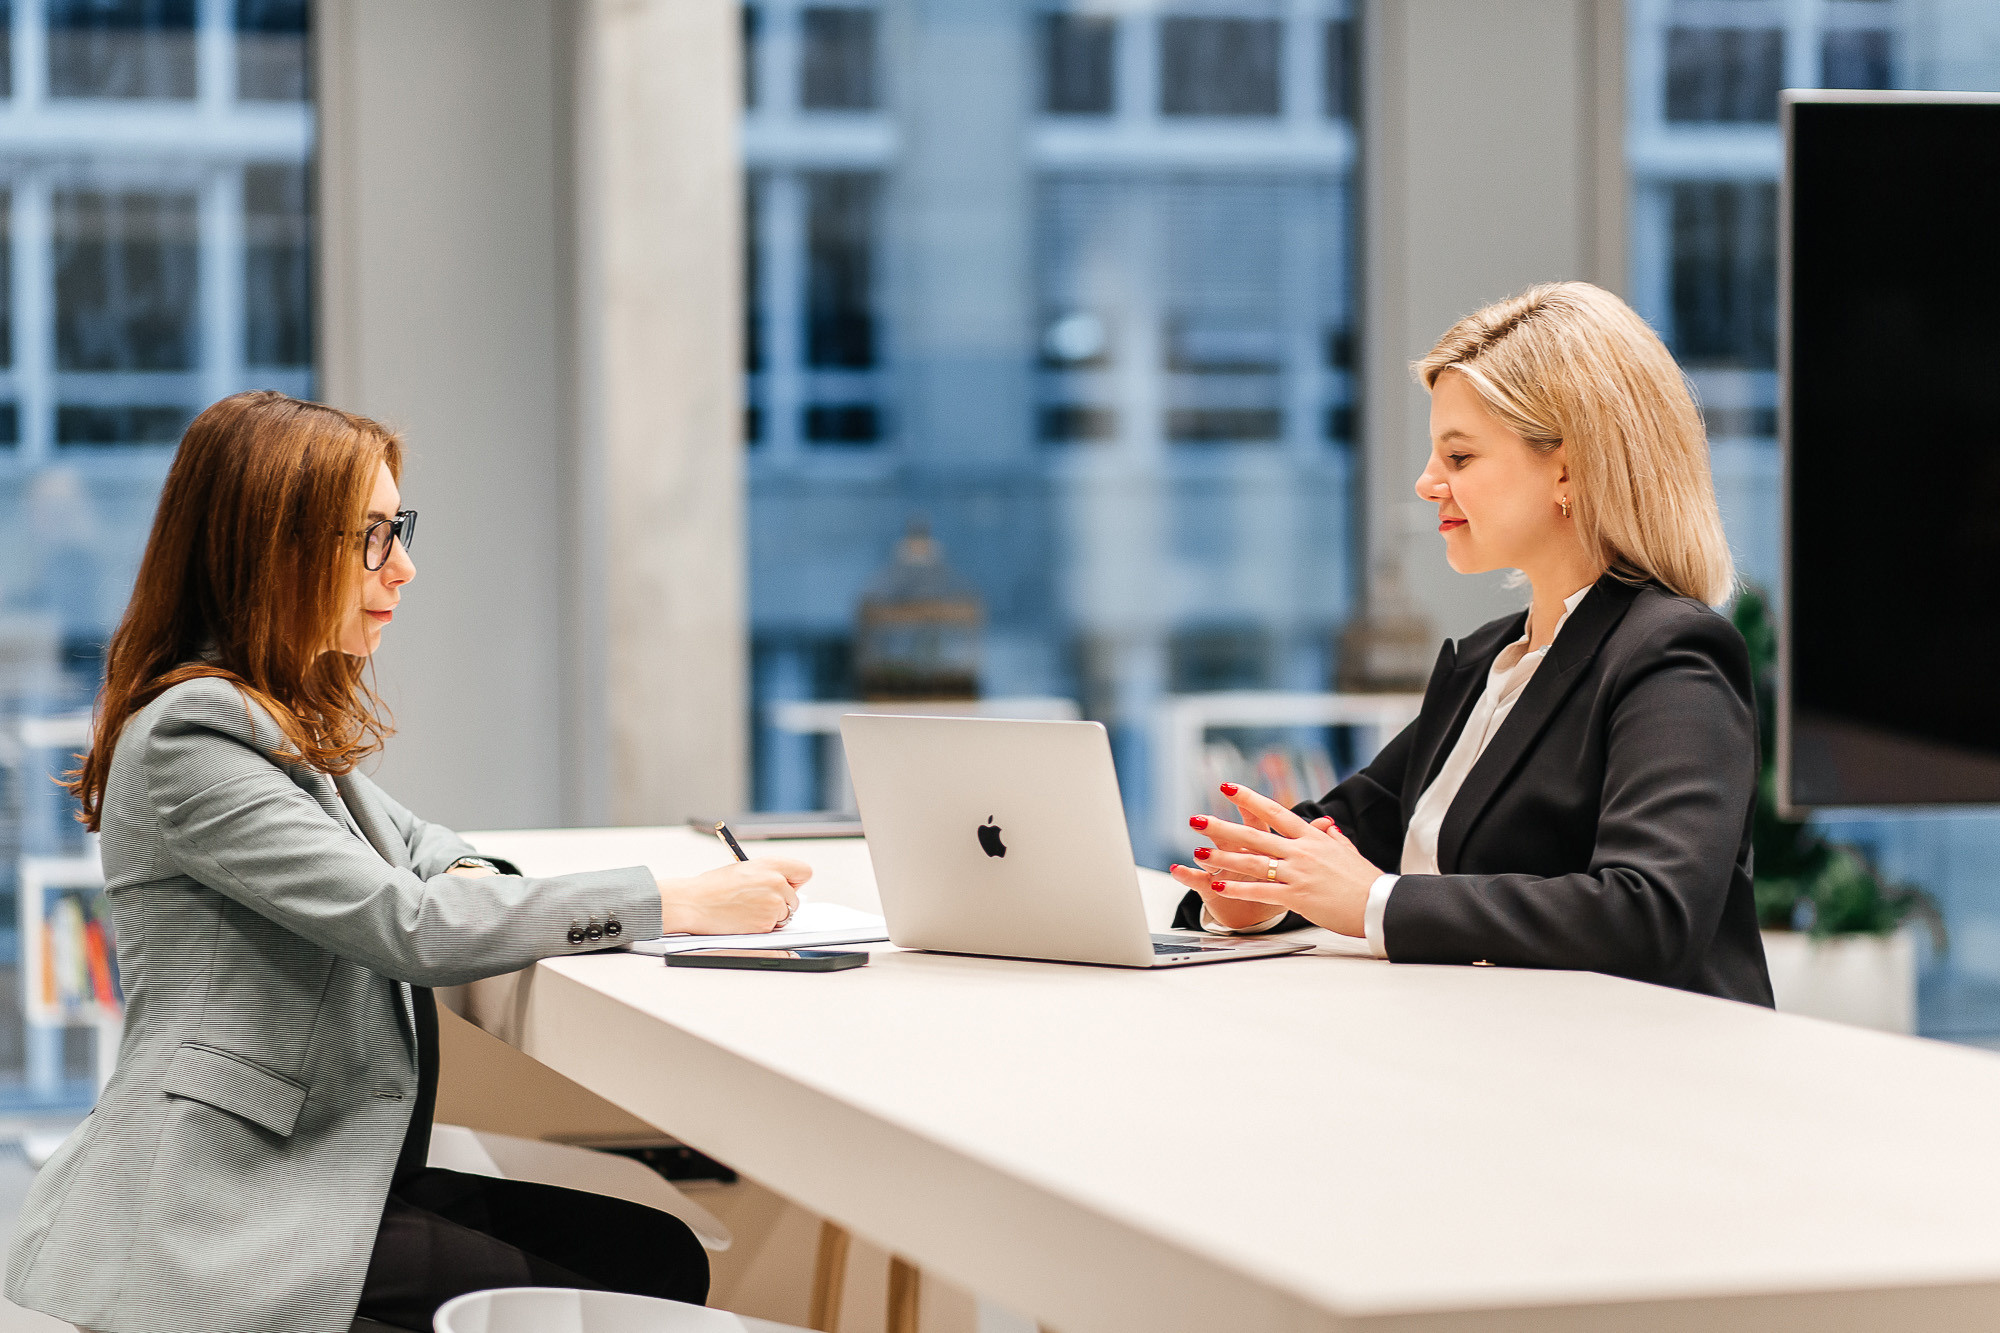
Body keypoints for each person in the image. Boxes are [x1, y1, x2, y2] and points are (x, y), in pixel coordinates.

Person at [3, 391, 813, 1333]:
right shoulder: (194, 734)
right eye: (373, 537)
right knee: (626, 1279)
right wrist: (671, 901)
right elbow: (408, 924)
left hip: (320, 1157)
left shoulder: (269, 714)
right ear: (274, 548)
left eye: (399, 529)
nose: (405, 566)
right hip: (226, 1195)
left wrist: (463, 875)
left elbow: (424, 847)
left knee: (653, 1255)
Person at [1171, 282, 1772, 1005]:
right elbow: (1342, 838)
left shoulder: (1673, 655)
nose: (1427, 483)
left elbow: (1650, 912)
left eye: (1458, 457)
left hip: (1630, 1065)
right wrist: (1254, 893)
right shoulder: (1487, 663)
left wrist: (1377, 902)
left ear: (1568, 468)